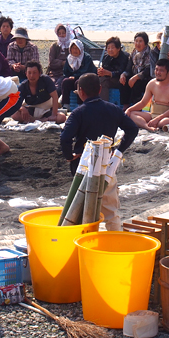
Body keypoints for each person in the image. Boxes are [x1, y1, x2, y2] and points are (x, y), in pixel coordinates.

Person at [60, 74, 139, 230]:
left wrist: (70, 157)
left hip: (83, 167)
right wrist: (118, 151)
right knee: (111, 212)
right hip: (106, 163)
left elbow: (65, 138)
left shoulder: (78, 113)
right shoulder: (113, 109)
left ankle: (83, 246)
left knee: (80, 212)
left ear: (80, 91)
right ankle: (115, 246)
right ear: (100, 89)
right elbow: (132, 129)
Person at [126, 59, 169, 131]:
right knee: (131, 114)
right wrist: (129, 109)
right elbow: (143, 103)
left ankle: (153, 124)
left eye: (161, 70)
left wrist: (157, 119)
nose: (158, 73)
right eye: (156, 69)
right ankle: (147, 127)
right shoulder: (152, 83)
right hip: (154, 114)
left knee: (162, 123)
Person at [60, 39, 98, 109]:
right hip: (74, 78)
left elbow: (85, 71)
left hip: (87, 79)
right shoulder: (69, 58)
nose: (75, 50)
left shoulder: (86, 57)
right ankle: (66, 104)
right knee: (65, 82)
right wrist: (69, 77)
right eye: (73, 48)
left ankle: (80, 105)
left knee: (79, 82)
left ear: (81, 49)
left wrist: (75, 76)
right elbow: (65, 71)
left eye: (77, 48)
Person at [120, 32, 151, 106]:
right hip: (135, 75)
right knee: (123, 80)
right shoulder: (133, 53)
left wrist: (137, 77)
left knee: (137, 84)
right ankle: (125, 105)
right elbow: (129, 68)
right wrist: (123, 74)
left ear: (145, 43)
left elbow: (148, 70)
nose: (138, 43)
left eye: (140, 41)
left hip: (146, 78)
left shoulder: (150, 54)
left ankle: (136, 106)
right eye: (136, 41)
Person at [97, 36, 130, 106]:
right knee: (99, 80)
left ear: (118, 48)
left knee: (103, 80)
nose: (110, 50)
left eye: (112, 48)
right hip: (109, 79)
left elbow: (123, 71)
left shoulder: (125, 57)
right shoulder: (106, 57)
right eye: (108, 48)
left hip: (121, 79)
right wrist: (101, 72)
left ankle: (104, 105)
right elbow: (104, 69)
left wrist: (109, 73)